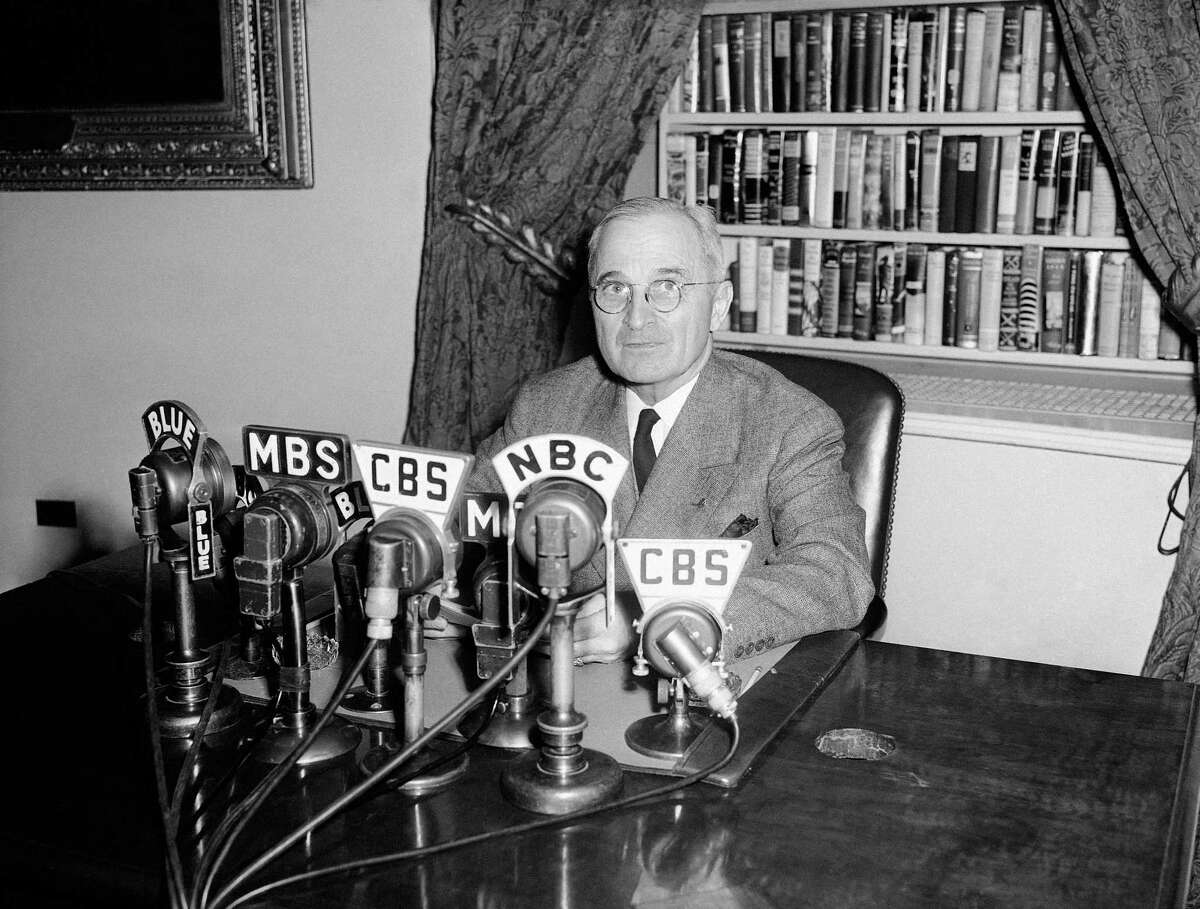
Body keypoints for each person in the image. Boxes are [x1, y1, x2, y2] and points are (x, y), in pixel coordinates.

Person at [467, 196, 873, 663]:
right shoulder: (548, 406)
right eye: (615, 289)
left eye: (667, 287)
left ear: (718, 305)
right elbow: (473, 522)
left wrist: (655, 615)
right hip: (563, 679)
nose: (636, 319)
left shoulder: (788, 422)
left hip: (710, 683)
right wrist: (469, 585)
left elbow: (836, 571)